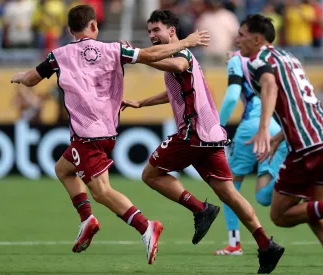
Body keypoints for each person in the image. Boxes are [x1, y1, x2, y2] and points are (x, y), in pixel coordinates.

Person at [10, 4, 210, 265]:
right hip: (108, 131)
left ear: (70, 30)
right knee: (63, 169)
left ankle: (146, 226)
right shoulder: (114, 49)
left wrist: (20, 77)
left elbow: (32, 79)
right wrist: (185, 41)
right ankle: (87, 219)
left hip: (86, 134)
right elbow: (150, 55)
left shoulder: (57, 56)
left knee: (102, 192)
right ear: (94, 26)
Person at [120, 10, 284, 274]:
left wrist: (139, 56)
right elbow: (173, 90)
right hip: (210, 135)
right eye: (149, 31)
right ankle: (266, 244)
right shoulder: (178, 54)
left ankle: (200, 209)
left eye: (157, 30)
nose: (152, 36)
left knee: (150, 174)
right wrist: (141, 102)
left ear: (172, 31)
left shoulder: (181, 54)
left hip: (193, 133)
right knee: (229, 193)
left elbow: (175, 65)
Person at [237, 14, 323, 275]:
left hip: (306, 145)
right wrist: (280, 136)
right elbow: (299, 101)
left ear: (257, 39)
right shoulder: (289, 58)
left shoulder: (259, 61)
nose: (238, 40)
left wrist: (264, 128)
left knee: (279, 216)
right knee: (314, 212)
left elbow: (269, 87)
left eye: (242, 35)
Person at [214, 50, 288, 256]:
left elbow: (231, 97)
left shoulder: (237, 60)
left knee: (227, 185)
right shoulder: (266, 61)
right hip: (273, 127)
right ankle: (296, 180)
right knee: (263, 196)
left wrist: (216, 127)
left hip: (251, 129)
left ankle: (234, 243)